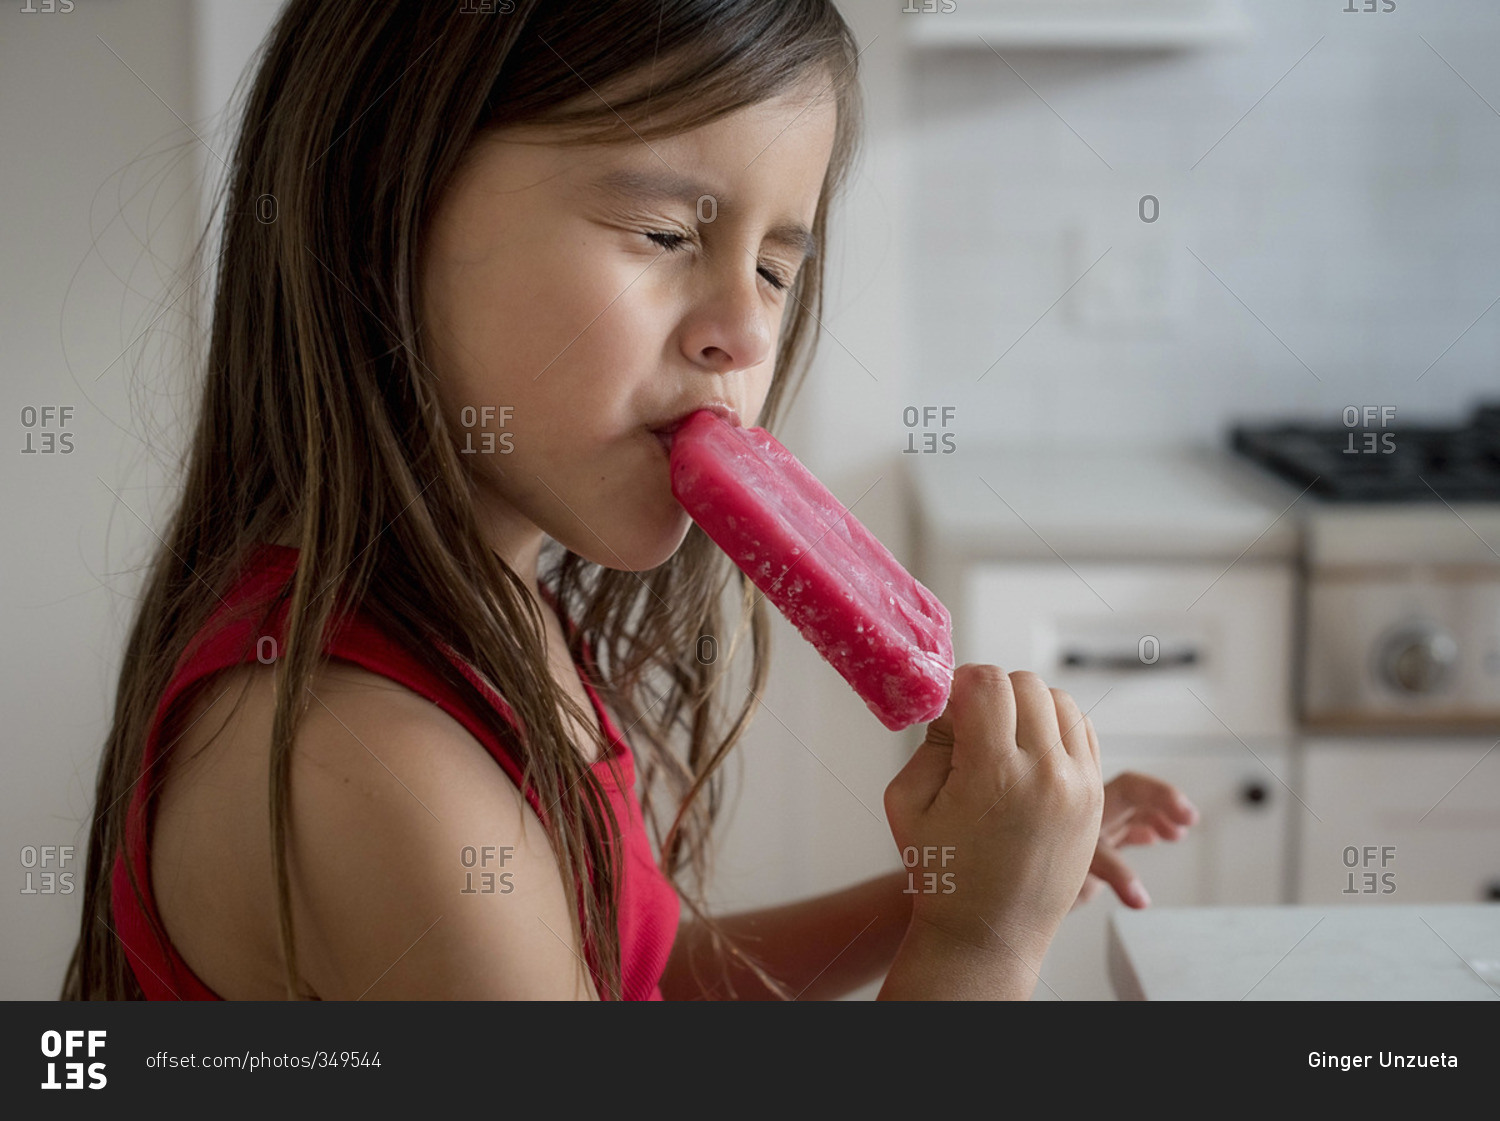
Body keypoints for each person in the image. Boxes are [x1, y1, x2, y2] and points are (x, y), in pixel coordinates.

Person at [63, 0, 1196, 1002]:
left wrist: (940, 890)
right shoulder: (374, 766)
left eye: (774, 268)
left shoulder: (490, 609)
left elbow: (627, 976)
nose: (747, 334)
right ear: (383, 214)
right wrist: (982, 945)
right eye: (665, 234)